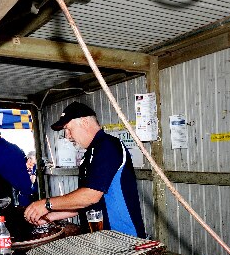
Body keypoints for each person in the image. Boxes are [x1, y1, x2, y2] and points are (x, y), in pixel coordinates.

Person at [23, 101, 146, 237]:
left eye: (69, 129)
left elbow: (90, 196)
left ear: (84, 122)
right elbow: (83, 203)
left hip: (123, 239)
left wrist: (46, 204)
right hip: (102, 238)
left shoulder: (108, 146)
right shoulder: (89, 155)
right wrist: (50, 217)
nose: (68, 136)